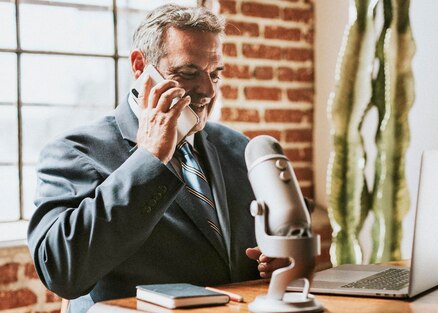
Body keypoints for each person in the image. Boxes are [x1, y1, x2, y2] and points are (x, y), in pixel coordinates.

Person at [27, 5, 287, 312]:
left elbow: (266, 245)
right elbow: (60, 271)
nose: (207, 90)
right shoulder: (74, 152)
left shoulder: (237, 147)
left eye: (215, 74)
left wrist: (279, 260)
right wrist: (149, 159)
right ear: (140, 66)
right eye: (187, 73)